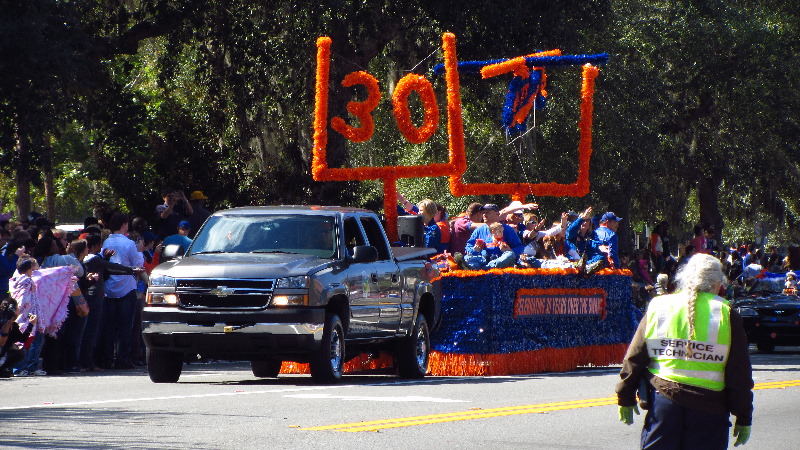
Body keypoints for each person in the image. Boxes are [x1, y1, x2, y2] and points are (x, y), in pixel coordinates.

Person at [616, 253, 753, 449]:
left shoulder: (659, 305)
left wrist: (625, 395)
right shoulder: (725, 312)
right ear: (717, 283)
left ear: (684, 278)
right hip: (710, 411)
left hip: (663, 404)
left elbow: (636, 356)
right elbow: (738, 371)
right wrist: (743, 415)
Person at [100, 212, 144, 369]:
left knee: (110, 327)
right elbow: (138, 264)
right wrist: (140, 251)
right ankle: (122, 358)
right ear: (124, 224)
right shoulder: (129, 244)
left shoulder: (106, 242)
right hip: (126, 287)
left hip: (109, 287)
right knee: (126, 327)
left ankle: (107, 358)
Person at [463, 204, 525, 269]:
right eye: (483, 212)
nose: (484, 214)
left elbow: (520, 247)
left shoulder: (507, 229)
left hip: (500, 260)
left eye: (487, 212)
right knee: (472, 258)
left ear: (497, 214)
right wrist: (475, 249)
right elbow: (469, 246)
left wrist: (510, 250)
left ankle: (487, 268)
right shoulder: (479, 230)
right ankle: (469, 267)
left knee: (510, 255)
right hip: (483, 259)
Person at [0, 297, 35, 378]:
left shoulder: (13, 325)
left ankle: (2, 368)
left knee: (18, 352)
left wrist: (31, 324)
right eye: (17, 307)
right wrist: (7, 324)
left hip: (3, 353)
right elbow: (2, 342)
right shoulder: (3, 323)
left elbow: (22, 339)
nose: (19, 310)